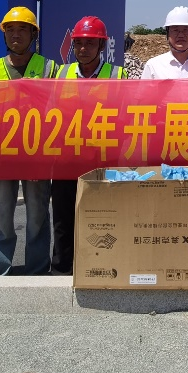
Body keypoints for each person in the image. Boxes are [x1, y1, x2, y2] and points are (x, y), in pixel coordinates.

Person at [0, 6, 58, 276]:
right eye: (10, 30)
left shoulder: (49, 68)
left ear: (33, 34)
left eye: (23, 29)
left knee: (37, 216)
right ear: (3, 34)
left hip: (37, 153)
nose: (16, 35)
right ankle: (1, 270)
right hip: (0, 155)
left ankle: (37, 270)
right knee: (1, 216)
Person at [51, 16, 127, 274]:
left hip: (102, 158)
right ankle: (62, 269)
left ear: (102, 46)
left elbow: (125, 116)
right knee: (63, 217)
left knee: (102, 216)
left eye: (90, 43)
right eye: (79, 43)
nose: (83, 49)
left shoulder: (118, 75)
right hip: (66, 157)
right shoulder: (61, 74)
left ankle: (101, 267)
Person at [140, 6, 188, 79]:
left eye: (186, 30)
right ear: (167, 34)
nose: (181, 35)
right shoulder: (153, 66)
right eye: (175, 30)